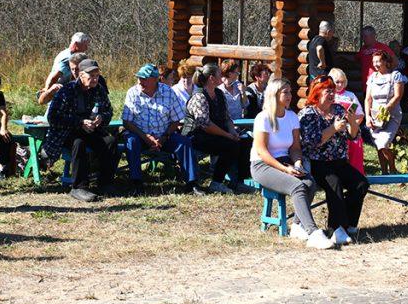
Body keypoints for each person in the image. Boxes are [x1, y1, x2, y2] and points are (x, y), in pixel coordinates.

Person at [250, 78, 334, 250]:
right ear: (274, 95)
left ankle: (297, 225)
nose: (290, 96)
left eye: (290, 92)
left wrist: (297, 164)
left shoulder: (291, 117)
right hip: (262, 165)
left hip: (286, 161)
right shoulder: (263, 118)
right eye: (285, 92)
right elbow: (262, 151)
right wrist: (285, 169)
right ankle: (313, 232)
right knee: (297, 186)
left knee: (309, 183)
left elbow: (295, 148)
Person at [298, 76, 367, 245]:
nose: (332, 94)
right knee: (334, 183)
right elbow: (312, 142)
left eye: (332, 90)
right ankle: (336, 229)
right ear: (317, 92)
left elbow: (353, 136)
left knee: (360, 183)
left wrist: (352, 122)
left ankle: (348, 225)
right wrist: (333, 128)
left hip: (340, 161)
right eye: (327, 90)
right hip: (317, 163)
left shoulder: (338, 109)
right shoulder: (308, 114)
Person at [122, 63, 201, 196]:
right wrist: (146, 137)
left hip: (165, 135)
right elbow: (127, 121)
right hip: (140, 136)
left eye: (144, 79)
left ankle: (192, 184)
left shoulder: (168, 92)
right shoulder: (133, 92)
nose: (140, 81)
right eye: (139, 78)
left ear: (155, 79)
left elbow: (176, 119)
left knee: (184, 143)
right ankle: (136, 184)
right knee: (131, 141)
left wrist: (164, 136)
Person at [45, 59, 117, 202]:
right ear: (81, 75)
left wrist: (102, 118)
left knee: (110, 141)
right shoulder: (67, 91)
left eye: (97, 76)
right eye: (91, 76)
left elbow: (108, 111)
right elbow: (53, 117)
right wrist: (80, 122)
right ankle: (79, 187)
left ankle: (105, 183)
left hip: (92, 131)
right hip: (68, 132)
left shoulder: (99, 90)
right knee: (79, 143)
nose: (95, 79)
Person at [183, 63, 250, 194]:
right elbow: (206, 125)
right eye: (219, 74)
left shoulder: (219, 93)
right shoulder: (199, 96)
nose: (222, 76)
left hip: (215, 134)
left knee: (244, 142)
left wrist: (233, 132)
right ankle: (217, 182)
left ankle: (239, 182)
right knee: (230, 145)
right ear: (211, 78)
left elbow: (227, 117)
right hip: (196, 136)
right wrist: (228, 135)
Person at [365, 50, 408, 174]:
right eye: (374, 62)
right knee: (378, 145)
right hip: (375, 116)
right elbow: (368, 99)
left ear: (385, 61)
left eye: (378, 61)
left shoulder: (395, 75)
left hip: (391, 115)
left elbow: (398, 96)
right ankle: (384, 172)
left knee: (384, 142)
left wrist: (385, 110)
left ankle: (393, 170)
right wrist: (368, 117)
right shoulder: (372, 77)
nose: (375, 64)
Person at [330, 68, 366, 175]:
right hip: (332, 131)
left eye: (342, 82)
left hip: (349, 130)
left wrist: (352, 126)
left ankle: (356, 175)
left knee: (355, 143)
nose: (340, 85)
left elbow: (360, 115)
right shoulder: (328, 95)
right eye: (337, 82)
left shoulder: (350, 95)